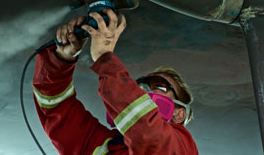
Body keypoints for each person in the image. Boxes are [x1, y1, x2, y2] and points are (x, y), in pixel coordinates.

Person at [32, 9, 198, 155]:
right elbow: (56, 109)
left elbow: (150, 136)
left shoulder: (181, 147)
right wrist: (62, 60)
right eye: (140, 86)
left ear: (178, 114)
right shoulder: (103, 148)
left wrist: (105, 59)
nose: (145, 91)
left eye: (159, 85)